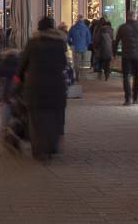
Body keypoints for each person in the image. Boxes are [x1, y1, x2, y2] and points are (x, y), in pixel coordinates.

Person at [18, 17, 68, 161]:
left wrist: (19, 78)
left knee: (35, 119)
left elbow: (22, 64)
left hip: (36, 86)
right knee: (55, 117)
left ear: (40, 29)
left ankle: (39, 150)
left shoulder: (33, 44)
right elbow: (64, 64)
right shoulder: (60, 44)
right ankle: (52, 147)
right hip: (56, 86)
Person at [115, 10, 138, 105]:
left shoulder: (122, 27)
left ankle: (127, 99)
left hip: (126, 55)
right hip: (137, 55)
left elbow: (116, 41)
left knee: (126, 76)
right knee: (136, 76)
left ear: (127, 17)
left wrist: (114, 53)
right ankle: (136, 98)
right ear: (135, 16)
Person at [66, 15, 91, 81]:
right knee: (83, 62)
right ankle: (83, 76)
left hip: (76, 47)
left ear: (77, 19)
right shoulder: (86, 28)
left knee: (76, 62)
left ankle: (77, 75)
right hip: (84, 47)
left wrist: (71, 44)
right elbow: (89, 38)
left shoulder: (73, 28)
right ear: (82, 20)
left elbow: (68, 37)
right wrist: (87, 44)